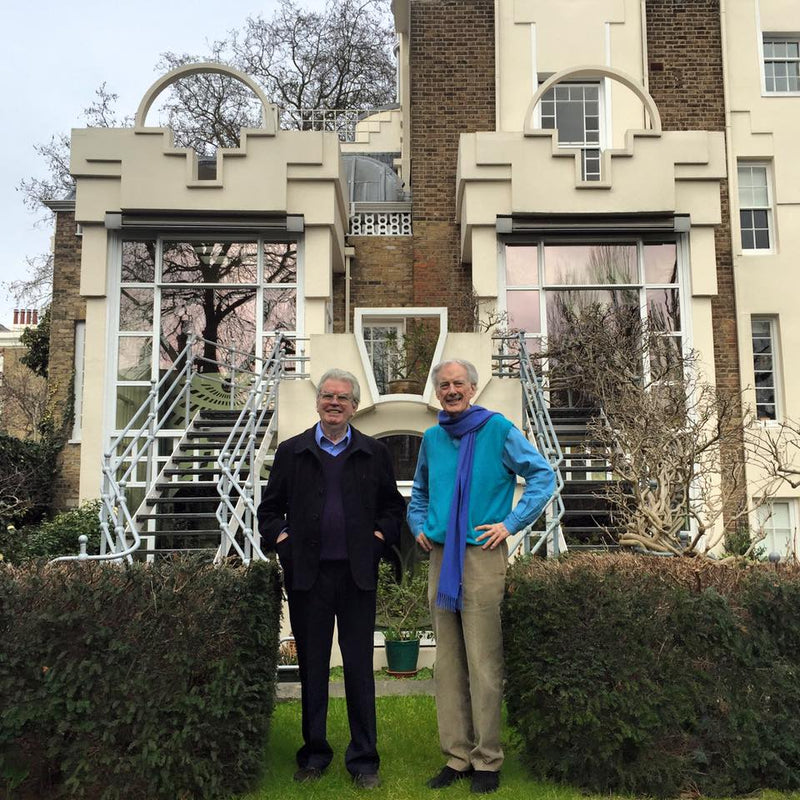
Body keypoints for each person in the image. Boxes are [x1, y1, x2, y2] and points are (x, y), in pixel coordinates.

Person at [407, 359, 556, 795]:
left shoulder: (497, 429)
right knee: (448, 663)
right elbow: (419, 491)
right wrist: (419, 525)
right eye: (444, 385)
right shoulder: (433, 438)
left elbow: (543, 476)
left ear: (472, 388)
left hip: (481, 556)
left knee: (484, 661)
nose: (451, 390)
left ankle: (487, 760)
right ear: (437, 392)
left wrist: (510, 524)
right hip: (440, 558)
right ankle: (457, 758)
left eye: (458, 383)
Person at [257, 368, 405, 789]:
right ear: (318, 402)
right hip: (308, 577)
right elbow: (269, 511)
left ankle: (364, 761)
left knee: (359, 668)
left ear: (355, 406)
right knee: (313, 668)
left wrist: (378, 540)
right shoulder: (292, 451)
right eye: (327, 396)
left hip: (358, 576)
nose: (334, 402)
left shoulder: (375, 453)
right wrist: (283, 541)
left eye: (343, 397)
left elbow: (392, 509)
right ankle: (315, 754)